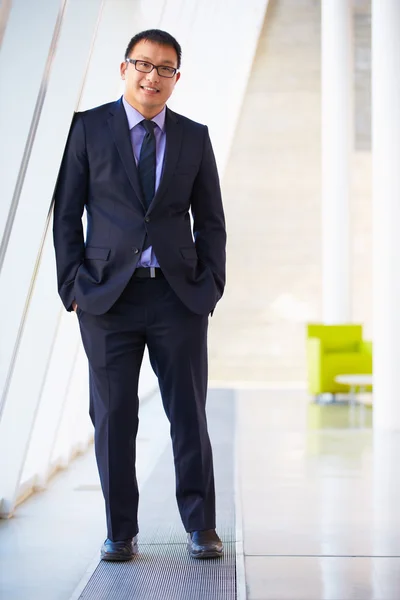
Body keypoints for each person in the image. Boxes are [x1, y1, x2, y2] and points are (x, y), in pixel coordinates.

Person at [53, 29, 226, 561]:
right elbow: (66, 216)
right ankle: (119, 531)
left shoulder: (194, 137)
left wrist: (209, 287)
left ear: (177, 77)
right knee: (112, 419)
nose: (153, 76)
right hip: (107, 301)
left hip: (177, 298)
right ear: (124, 68)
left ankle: (201, 527)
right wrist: (74, 288)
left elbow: (212, 221)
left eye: (165, 68)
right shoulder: (87, 129)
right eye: (143, 65)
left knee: (188, 415)